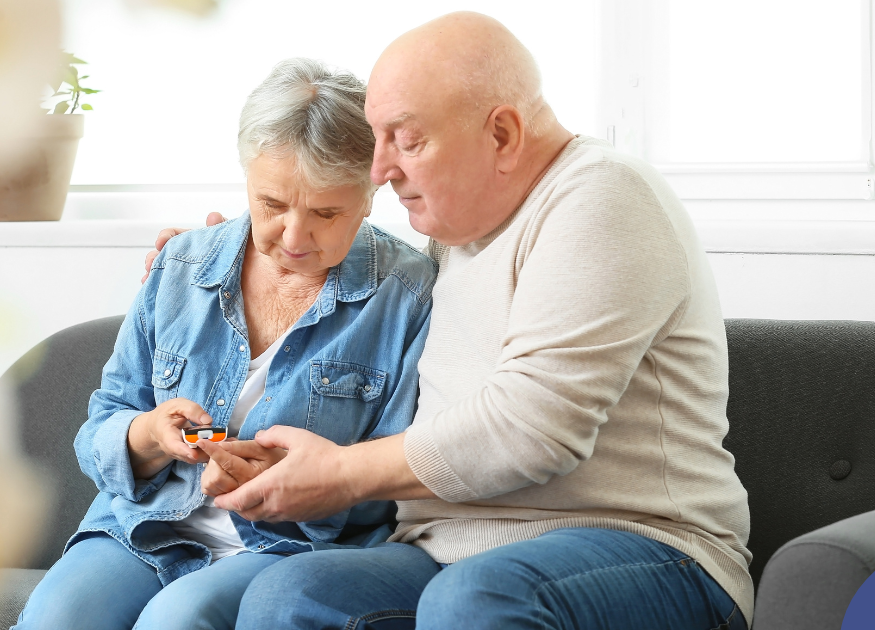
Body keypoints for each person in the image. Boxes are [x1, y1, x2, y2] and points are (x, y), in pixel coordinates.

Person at [151, 11, 753, 630]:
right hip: (449, 547)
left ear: (502, 135)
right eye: (377, 140)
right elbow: (346, 265)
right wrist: (228, 257)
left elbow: (532, 430)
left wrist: (340, 475)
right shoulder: (453, 235)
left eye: (405, 140)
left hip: (646, 548)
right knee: (289, 595)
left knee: (473, 599)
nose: (380, 170)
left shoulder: (602, 197)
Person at [15, 58, 436, 630]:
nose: (293, 236)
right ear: (246, 177)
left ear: (370, 194)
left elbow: (396, 483)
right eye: (272, 204)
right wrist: (149, 435)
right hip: (147, 526)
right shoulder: (182, 266)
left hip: (289, 548)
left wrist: (285, 481)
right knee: (58, 616)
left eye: (326, 213)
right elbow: (101, 426)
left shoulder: (406, 296)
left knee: (176, 620)